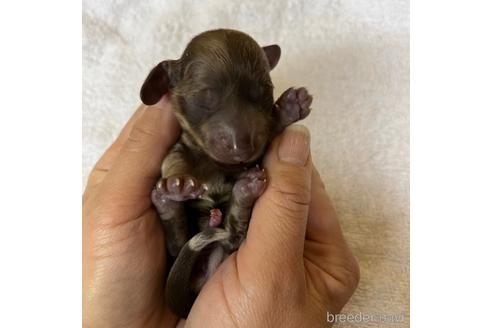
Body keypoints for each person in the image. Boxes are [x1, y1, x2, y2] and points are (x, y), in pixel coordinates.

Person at [82, 96, 360, 327]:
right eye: (207, 101)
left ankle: (182, 208)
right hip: (205, 249)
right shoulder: (187, 138)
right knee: (215, 228)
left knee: (229, 216)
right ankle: (181, 210)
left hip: (215, 247)